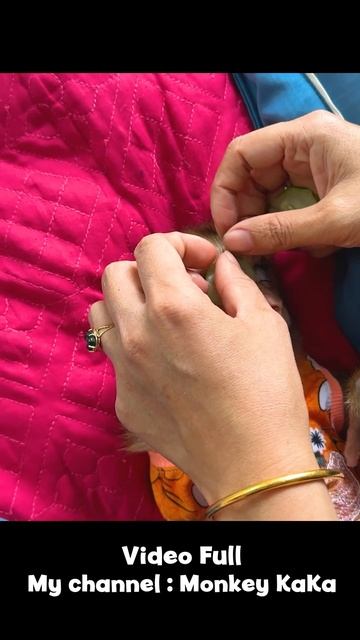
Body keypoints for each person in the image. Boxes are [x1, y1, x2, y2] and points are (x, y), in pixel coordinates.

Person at [89, 110, 360, 520]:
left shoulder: (311, 381)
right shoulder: (172, 441)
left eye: (263, 272)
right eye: (212, 288)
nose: (263, 300)